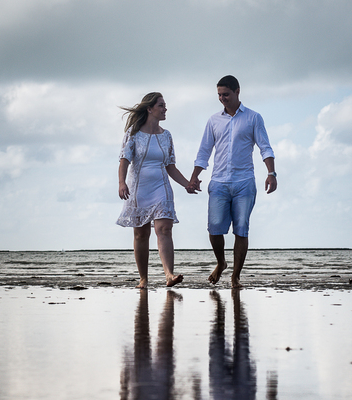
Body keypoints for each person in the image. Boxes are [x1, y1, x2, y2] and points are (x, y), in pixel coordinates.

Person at [187, 76, 276, 288]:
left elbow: (265, 147)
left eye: (225, 94)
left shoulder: (254, 118)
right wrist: (194, 177)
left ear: (237, 91)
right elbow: (204, 151)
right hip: (218, 182)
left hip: (244, 181)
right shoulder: (213, 120)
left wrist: (271, 173)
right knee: (215, 229)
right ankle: (221, 263)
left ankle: (235, 276)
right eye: (219, 95)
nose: (222, 98)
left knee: (241, 229)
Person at [117, 92, 196, 288]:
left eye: (165, 105)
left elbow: (170, 166)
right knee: (141, 235)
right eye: (161, 105)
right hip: (138, 189)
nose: (165, 108)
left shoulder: (166, 136)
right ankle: (143, 279)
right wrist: (121, 183)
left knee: (165, 229)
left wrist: (187, 183)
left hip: (161, 188)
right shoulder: (133, 134)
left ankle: (169, 275)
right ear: (149, 109)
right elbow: (124, 161)